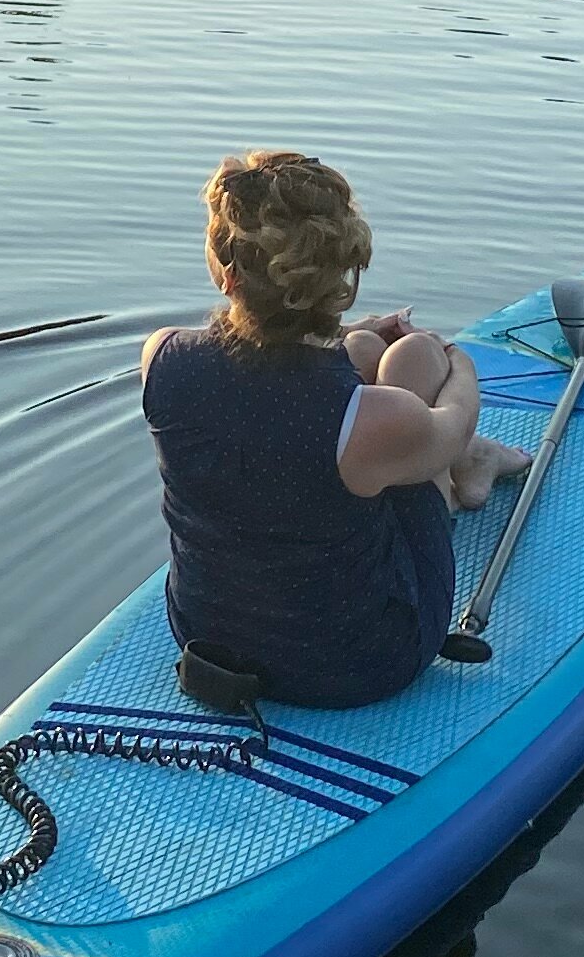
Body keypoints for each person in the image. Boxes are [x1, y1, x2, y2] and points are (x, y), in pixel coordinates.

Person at [139, 149, 528, 709]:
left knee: (367, 351)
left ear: (225, 273)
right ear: (339, 275)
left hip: (208, 638)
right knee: (416, 358)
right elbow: (454, 423)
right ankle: (471, 465)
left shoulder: (163, 359)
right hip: (355, 665)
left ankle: (460, 459)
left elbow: (267, 381)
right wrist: (457, 359)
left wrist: (356, 338)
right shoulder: (363, 421)